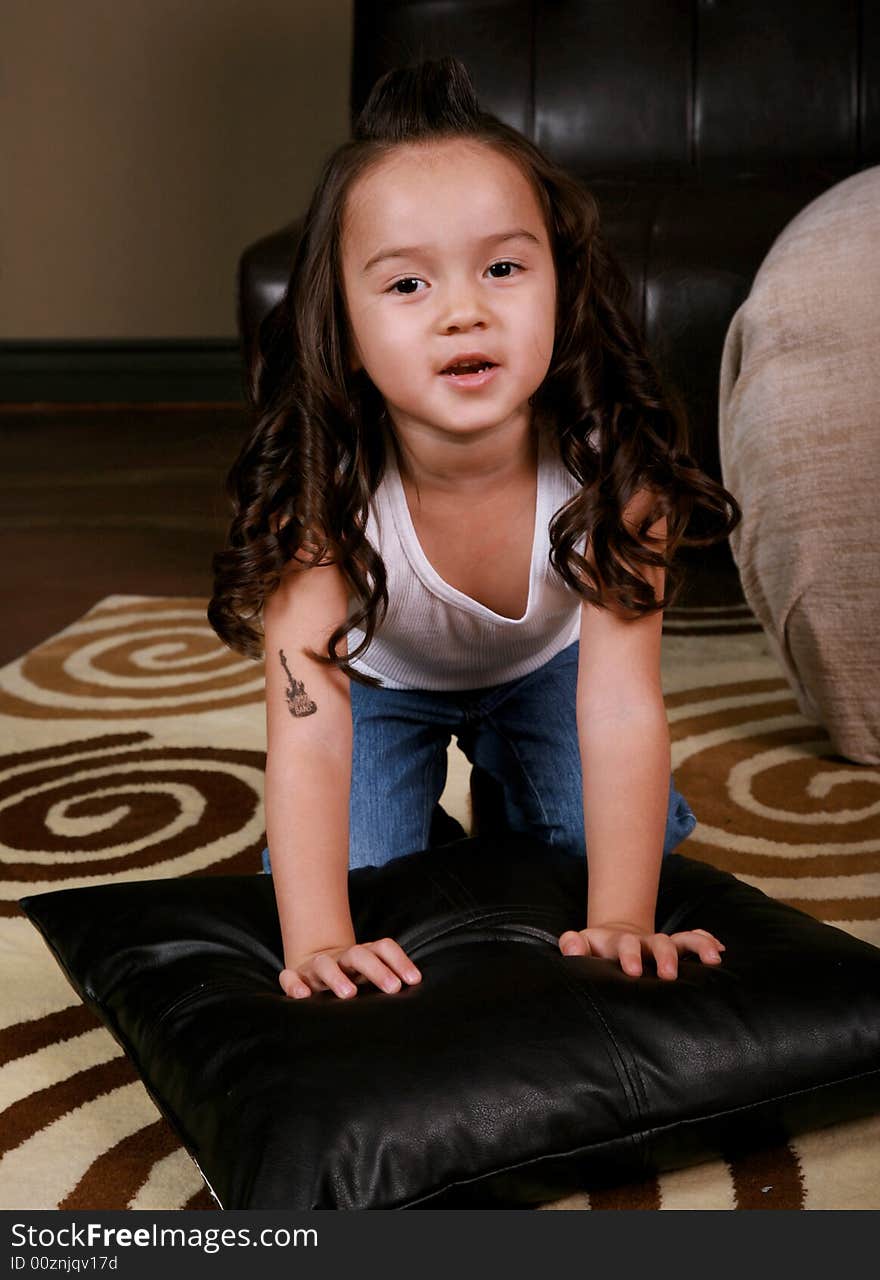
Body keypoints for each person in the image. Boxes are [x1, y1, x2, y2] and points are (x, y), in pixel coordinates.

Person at [208, 56, 740, 1001]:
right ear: (346, 330)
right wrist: (318, 937)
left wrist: (621, 919)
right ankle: (432, 823)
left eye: (502, 268)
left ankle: (514, 796)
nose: (464, 312)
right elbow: (310, 721)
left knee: (615, 843)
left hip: (549, 672)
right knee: (358, 879)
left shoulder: (615, 473)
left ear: (561, 288)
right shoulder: (324, 495)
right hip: (377, 685)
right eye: (407, 286)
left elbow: (620, 706)